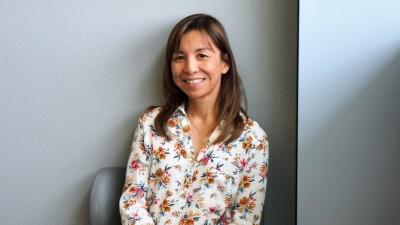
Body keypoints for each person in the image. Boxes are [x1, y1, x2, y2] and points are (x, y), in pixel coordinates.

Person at [119, 13, 269, 225]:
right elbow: (132, 203)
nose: (190, 68)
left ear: (225, 63)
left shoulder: (253, 140)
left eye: (202, 55)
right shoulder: (151, 124)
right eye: (180, 57)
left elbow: (245, 218)